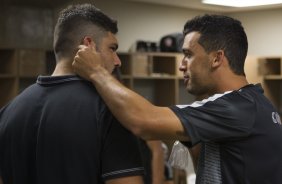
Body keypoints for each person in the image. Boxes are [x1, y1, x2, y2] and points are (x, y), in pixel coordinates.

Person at [72, 14, 282, 183]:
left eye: (188, 54)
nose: (182, 65)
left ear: (216, 58)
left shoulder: (237, 108)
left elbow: (143, 121)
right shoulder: (252, 101)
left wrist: (96, 71)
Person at [0, 4, 145, 184]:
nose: (118, 61)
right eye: (112, 48)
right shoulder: (110, 110)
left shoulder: (8, 112)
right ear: (88, 45)